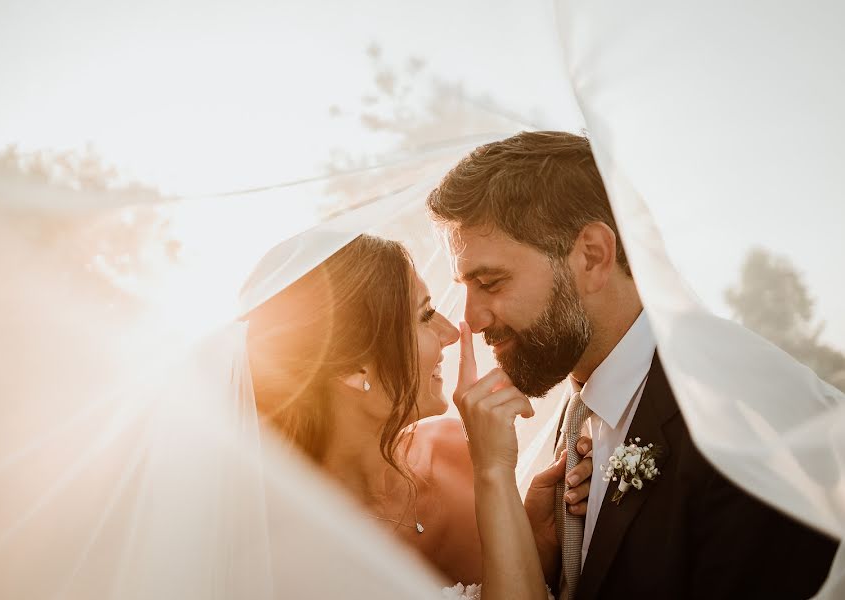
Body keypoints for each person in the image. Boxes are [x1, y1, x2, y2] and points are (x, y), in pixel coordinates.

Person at [426, 130, 839, 599]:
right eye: (466, 285)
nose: (473, 320)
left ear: (593, 256)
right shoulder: (583, 404)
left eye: (491, 282)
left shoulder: (739, 421)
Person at [245, 233, 594, 591]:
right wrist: (494, 472)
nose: (451, 333)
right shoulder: (296, 554)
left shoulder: (453, 449)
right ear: (356, 371)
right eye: (425, 316)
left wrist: (533, 542)